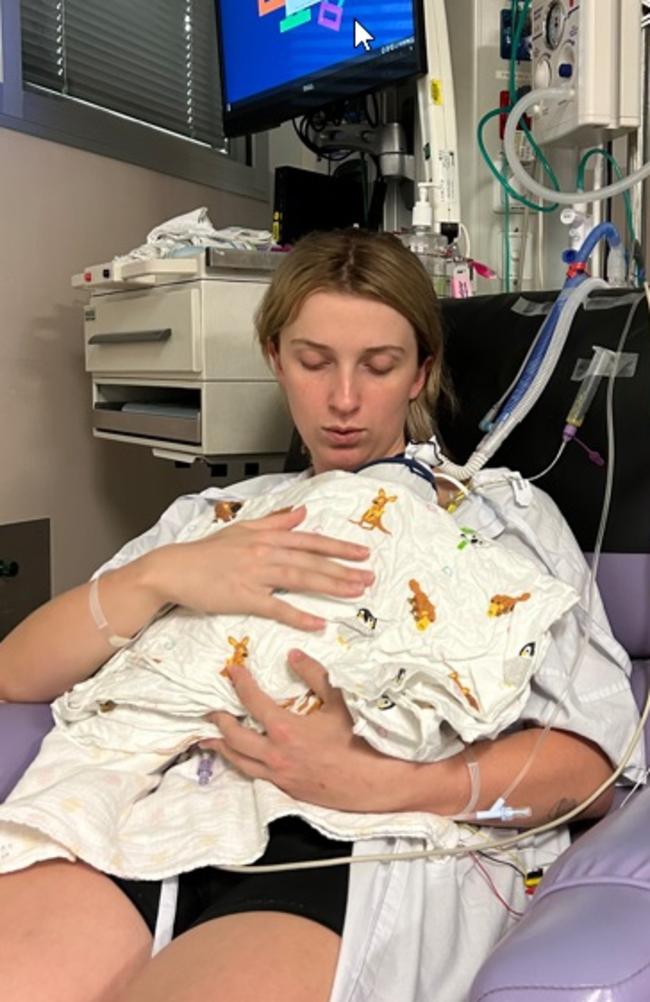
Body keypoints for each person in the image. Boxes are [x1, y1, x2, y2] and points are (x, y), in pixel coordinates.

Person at [0, 229, 643, 1002]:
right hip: (147, 803)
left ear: (421, 372)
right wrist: (162, 574)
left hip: (350, 840)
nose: (344, 400)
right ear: (275, 357)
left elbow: (590, 769)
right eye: (313, 362)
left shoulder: (500, 517)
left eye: (379, 366)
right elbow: (17, 672)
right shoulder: (213, 514)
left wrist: (385, 779)